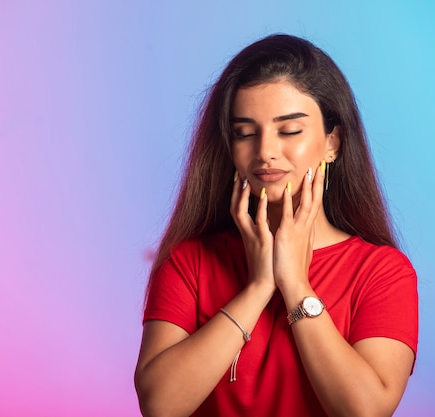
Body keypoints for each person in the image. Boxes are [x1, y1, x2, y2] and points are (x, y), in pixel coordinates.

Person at [134, 34, 418, 417]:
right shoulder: (190, 262)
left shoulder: (382, 272)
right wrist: (258, 287)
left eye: (289, 131)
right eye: (245, 133)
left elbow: (365, 411)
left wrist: (294, 284)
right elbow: (160, 406)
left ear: (332, 142)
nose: (265, 151)